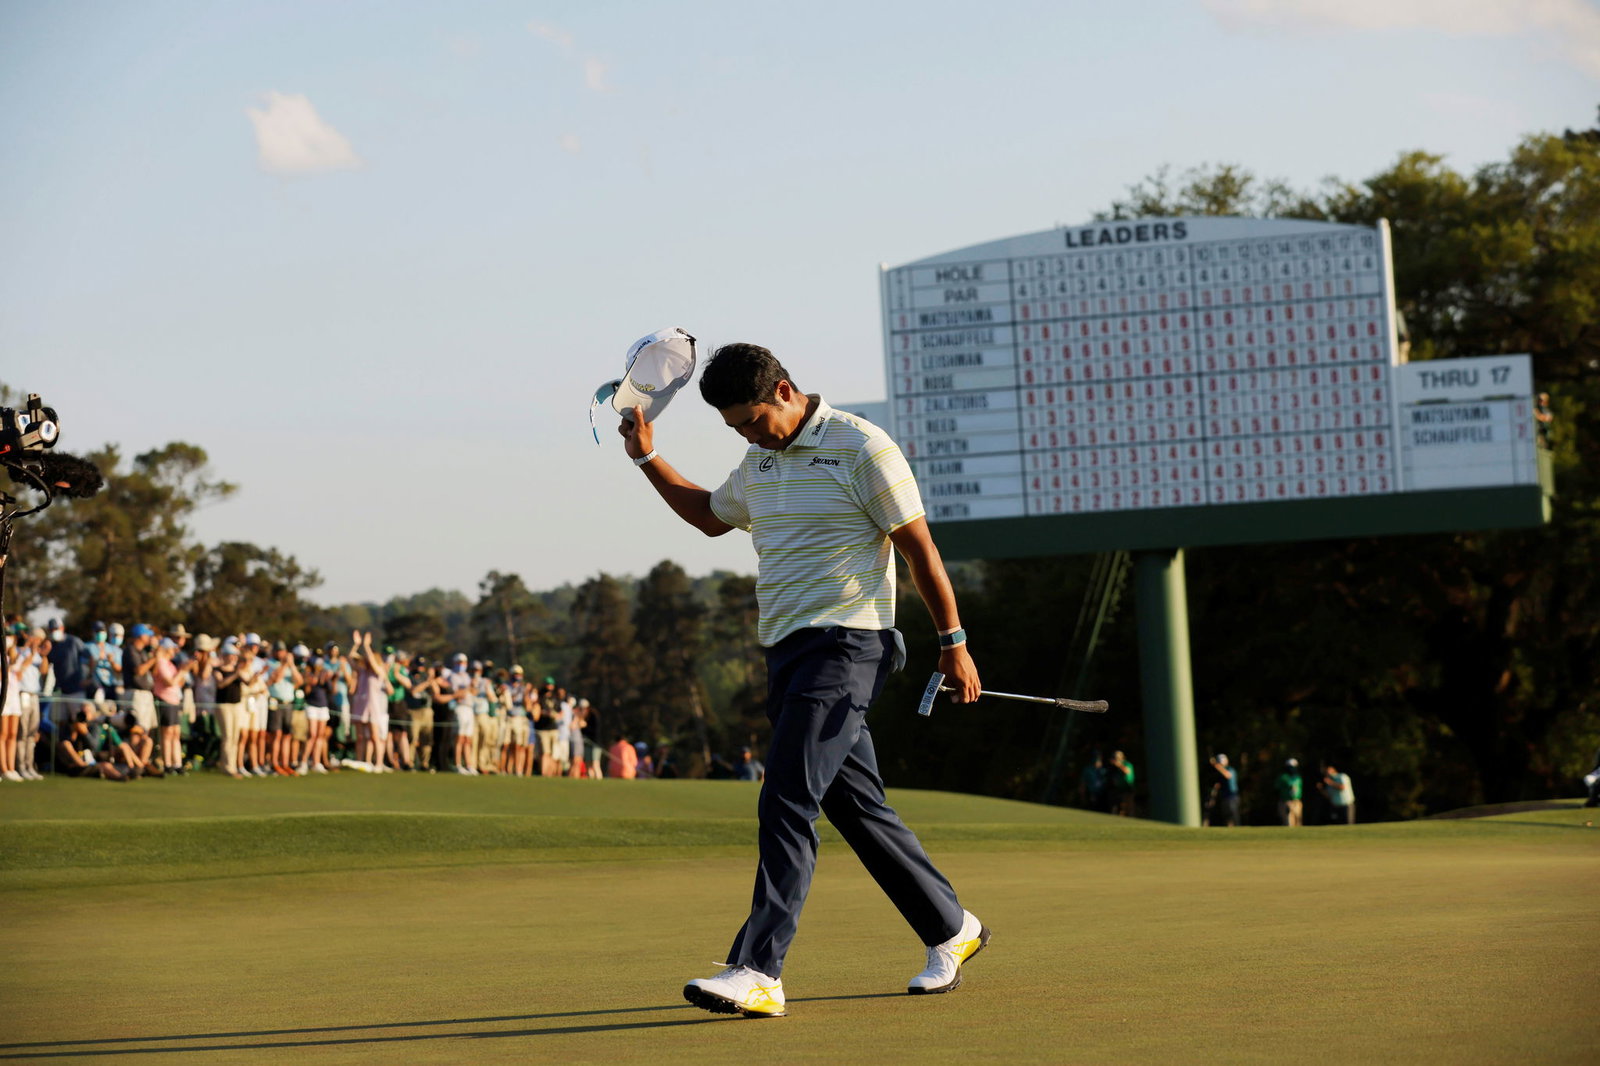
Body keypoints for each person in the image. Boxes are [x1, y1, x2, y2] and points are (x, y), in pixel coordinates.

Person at [622, 341, 988, 1018]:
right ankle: (951, 926)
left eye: (754, 420)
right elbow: (709, 517)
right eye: (735, 428)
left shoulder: (862, 446)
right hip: (788, 652)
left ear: (785, 391)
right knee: (857, 807)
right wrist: (647, 457)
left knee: (787, 798)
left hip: (850, 646)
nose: (748, 435)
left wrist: (953, 642)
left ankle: (759, 970)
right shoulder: (758, 461)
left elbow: (920, 551)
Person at [1207, 753, 1239, 827]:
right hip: (1224, 797)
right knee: (1226, 817)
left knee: (1234, 815)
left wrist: (1216, 765)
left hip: (1232, 796)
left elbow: (1227, 775)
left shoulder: (1230, 769)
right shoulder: (1219, 773)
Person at [1274, 758, 1304, 826]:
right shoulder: (1283, 777)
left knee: (1298, 822)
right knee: (1288, 823)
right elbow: (1276, 789)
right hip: (1286, 802)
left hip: (1297, 802)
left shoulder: (1298, 777)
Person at [1105, 750, 1136, 816]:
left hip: (1128, 789)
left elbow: (1127, 771)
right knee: (1120, 808)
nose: (1117, 760)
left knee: (1128, 807)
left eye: (1118, 758)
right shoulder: (1114, 768)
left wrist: (1119, 765)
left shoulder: (1127, 764)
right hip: (1119, 790)